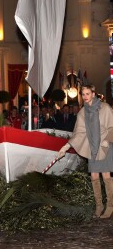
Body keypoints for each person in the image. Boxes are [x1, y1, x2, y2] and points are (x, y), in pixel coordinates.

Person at [58, 84, 113, 219]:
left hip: (105, 146)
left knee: (106, 176)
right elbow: (79, 133)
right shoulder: (82, 112)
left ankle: (110, 206)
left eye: (88, 94)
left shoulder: (105, 108)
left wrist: (107, 139)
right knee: (94, 177)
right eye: (83, 94)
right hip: (92, 147)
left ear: (93, 94)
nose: (85, 96)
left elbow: (112, 126)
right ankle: (99, 206)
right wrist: (65, 147)